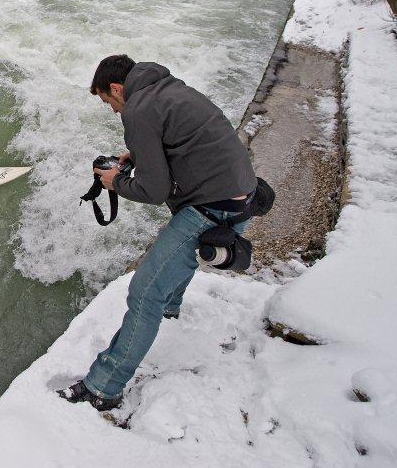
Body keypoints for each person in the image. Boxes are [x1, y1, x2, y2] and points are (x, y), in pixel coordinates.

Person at [58, 54, 258, 412]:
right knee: (176, 262)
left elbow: (153, 191)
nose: (113, 111)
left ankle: (103, 387)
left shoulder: (138, 111)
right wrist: (135, 154)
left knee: (144, 292)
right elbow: (179, 139)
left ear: (117, 88)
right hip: (242, 195)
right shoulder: (168, 88)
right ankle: (170, 313)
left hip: (211, 207)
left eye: (109, 102)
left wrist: (114, 181)